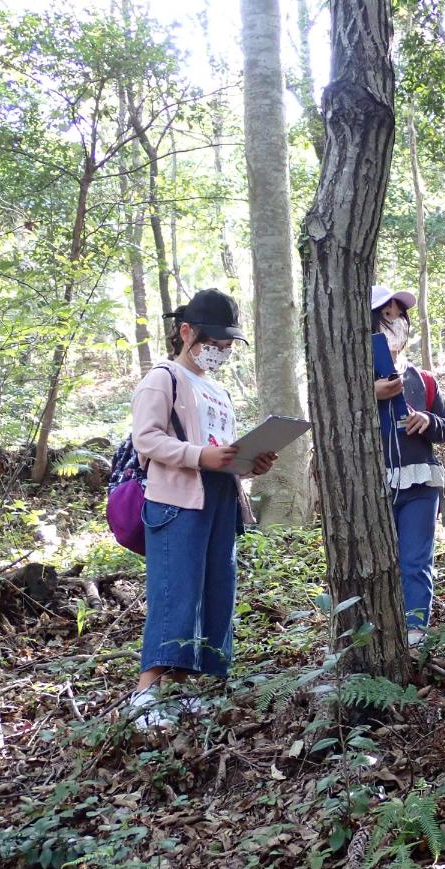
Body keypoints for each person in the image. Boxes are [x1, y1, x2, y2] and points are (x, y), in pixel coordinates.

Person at [126, 288, 277, 729]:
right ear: (186, 332)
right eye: (212, 343)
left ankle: (193, 687)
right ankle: (146, 693)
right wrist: (199, 457)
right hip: (176, 500)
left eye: (227, 345)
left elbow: (221, 450)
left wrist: (251, 462)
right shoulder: (163, 378)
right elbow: (147, 439)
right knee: (176, 591)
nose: (220, 352)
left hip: (220, 499)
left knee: (215, 591)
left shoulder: (218, 391)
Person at [371, 286, 445, 646]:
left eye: (398, 317)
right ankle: (374, 632)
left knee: (415, 559)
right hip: (373, 484)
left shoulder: (423, 379)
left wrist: (427, 420)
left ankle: (416, 631)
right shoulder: (346, 382)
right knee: (374, 563)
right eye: (386, 316)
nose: (395, 324)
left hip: (420, 480)